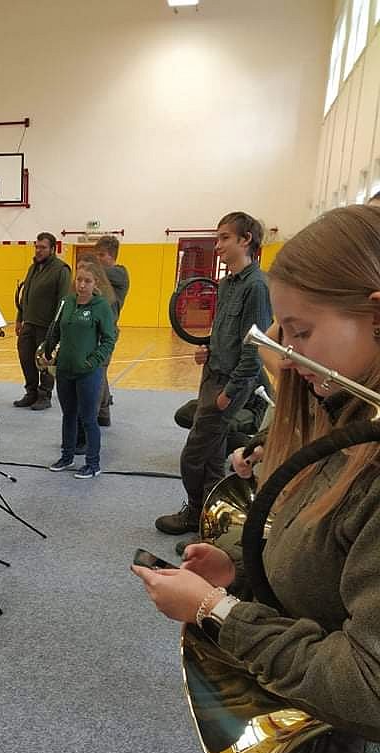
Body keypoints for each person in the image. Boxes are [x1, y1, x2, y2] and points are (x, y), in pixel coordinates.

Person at [134, 203, 380, 753]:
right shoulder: (352, 411)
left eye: (301, 332)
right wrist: (243, 563)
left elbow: (369, 683)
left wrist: (217, 610)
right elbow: (324, 539)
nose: (288, 354)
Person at [155, 211, 272, 540]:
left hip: (231, 385)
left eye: (224, 238)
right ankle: (211, 523)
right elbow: (224, 332)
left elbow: (255, 347)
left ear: (245, 240)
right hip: (212, 375)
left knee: (194, 454)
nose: (217, 245)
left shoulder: (256, 287)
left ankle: (197, 512)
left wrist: (231, 392)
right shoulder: (227, 284)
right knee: (211, 456)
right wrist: (207, 349)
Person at [42, 259, 116, 479]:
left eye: (87, 281)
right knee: (68, 415)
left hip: (88, 373)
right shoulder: (66, 302)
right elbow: (56, 329)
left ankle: (93, 464)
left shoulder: (101, 306)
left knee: (88, 419)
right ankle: (67, 456)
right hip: (65, 370)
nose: (82, 285)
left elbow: (109, 340)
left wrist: (93, 361)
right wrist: (48, 352)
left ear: (96, 283)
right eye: (79, 280)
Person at [14, 232, 72, 411]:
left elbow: (63, 301)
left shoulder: (61, 270)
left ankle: (44, 394)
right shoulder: (33, 268)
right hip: (29, 323)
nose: (38, 250)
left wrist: (56, 329)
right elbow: (25, 295)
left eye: (43, 247)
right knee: (25, 358)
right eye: (37, 247)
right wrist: (19, 318)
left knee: (46, 361)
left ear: (53, 249)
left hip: (47, 326)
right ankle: (31, 392)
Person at [93, 236, 130, 426]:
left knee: (97, 372)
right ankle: (104, 413)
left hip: (107, 332)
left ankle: (93, 415)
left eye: (102, 255)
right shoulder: (101, 276)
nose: (98, 259)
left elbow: (93, 271)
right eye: (96, 255)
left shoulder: (119, 274)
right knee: (100, 371)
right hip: (94, 330)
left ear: (112, 256)